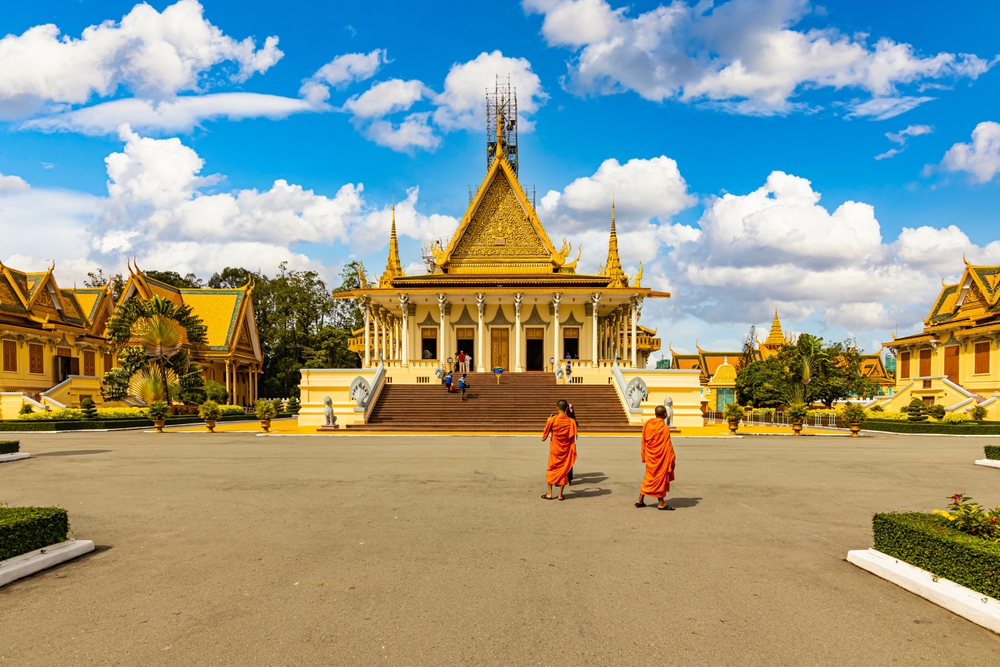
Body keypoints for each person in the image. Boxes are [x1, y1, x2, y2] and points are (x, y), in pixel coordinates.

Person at [636, 405, 676, 510]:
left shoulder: (648, 424)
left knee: (649, 477)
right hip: (661, 458)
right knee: (660, 478)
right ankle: (661, 503)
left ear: (655, 414)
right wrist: (672, 458)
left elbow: (644, 441)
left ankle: (640, 500)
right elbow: (668, 445)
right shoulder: (664, 428)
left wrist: (644, 453)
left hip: (651, 456)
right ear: (665, 414)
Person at [541, 400, 578, 501]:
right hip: (565, 450)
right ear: (566, 408)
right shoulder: (571, 422)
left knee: (551, 469)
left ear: (557, 408)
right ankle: (560, 495)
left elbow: (544, 436)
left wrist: (548, 421)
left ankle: (549, 493)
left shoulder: (552, 420)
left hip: (555, 450)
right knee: (563, 470)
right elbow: (573, 437)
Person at [566, 403, 577, 485]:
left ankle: (564, 478)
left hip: (563, 442)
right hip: (571, 442)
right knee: (569, 460)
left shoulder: (564, 419)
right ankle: (569, 479)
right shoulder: (573, 420)